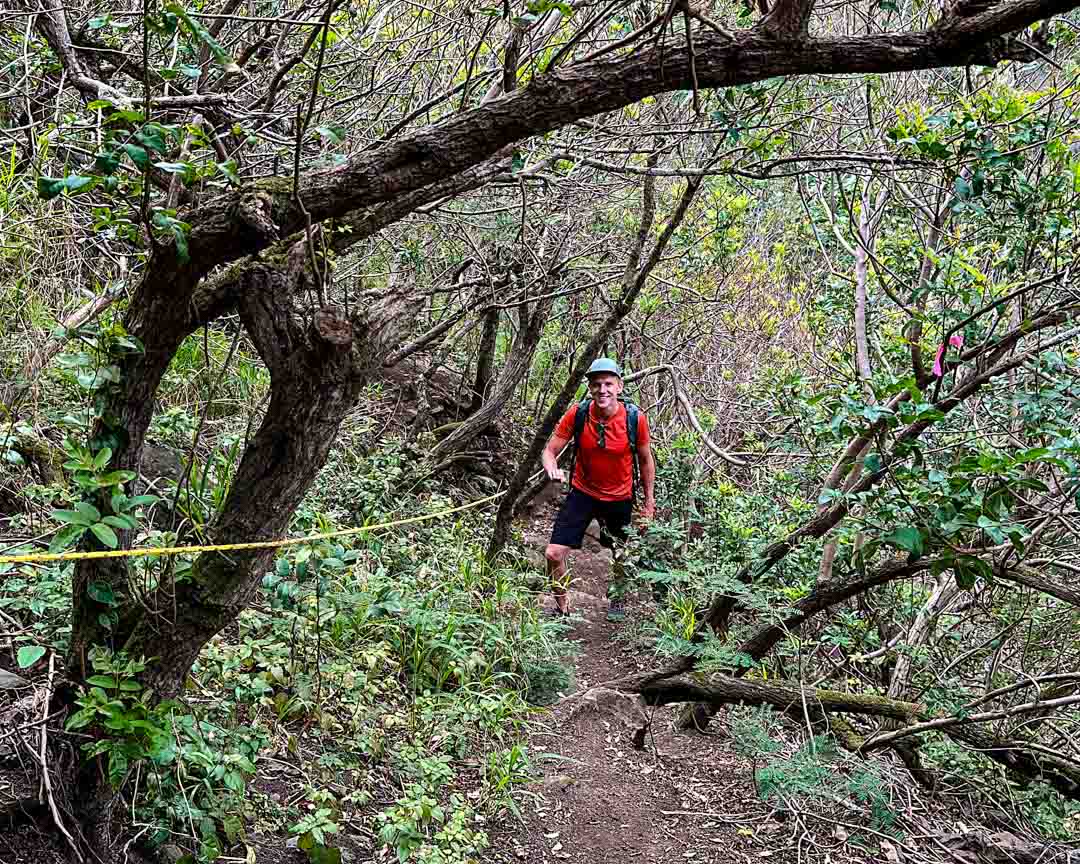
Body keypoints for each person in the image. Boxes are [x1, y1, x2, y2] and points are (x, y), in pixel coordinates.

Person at [541, 358, 655, 621]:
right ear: (590, 389)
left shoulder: (635, 419)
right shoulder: (578, 414)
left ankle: (617, 598)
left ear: (619, 387)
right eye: (596, 385)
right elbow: (549, 450)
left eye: (608, 384)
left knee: (620, 552)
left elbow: (646, 460)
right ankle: (562, 609)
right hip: (583, 492)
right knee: (553, 553)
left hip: (620, 497)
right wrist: (552, 468)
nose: (602, 390)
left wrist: (649, 503)